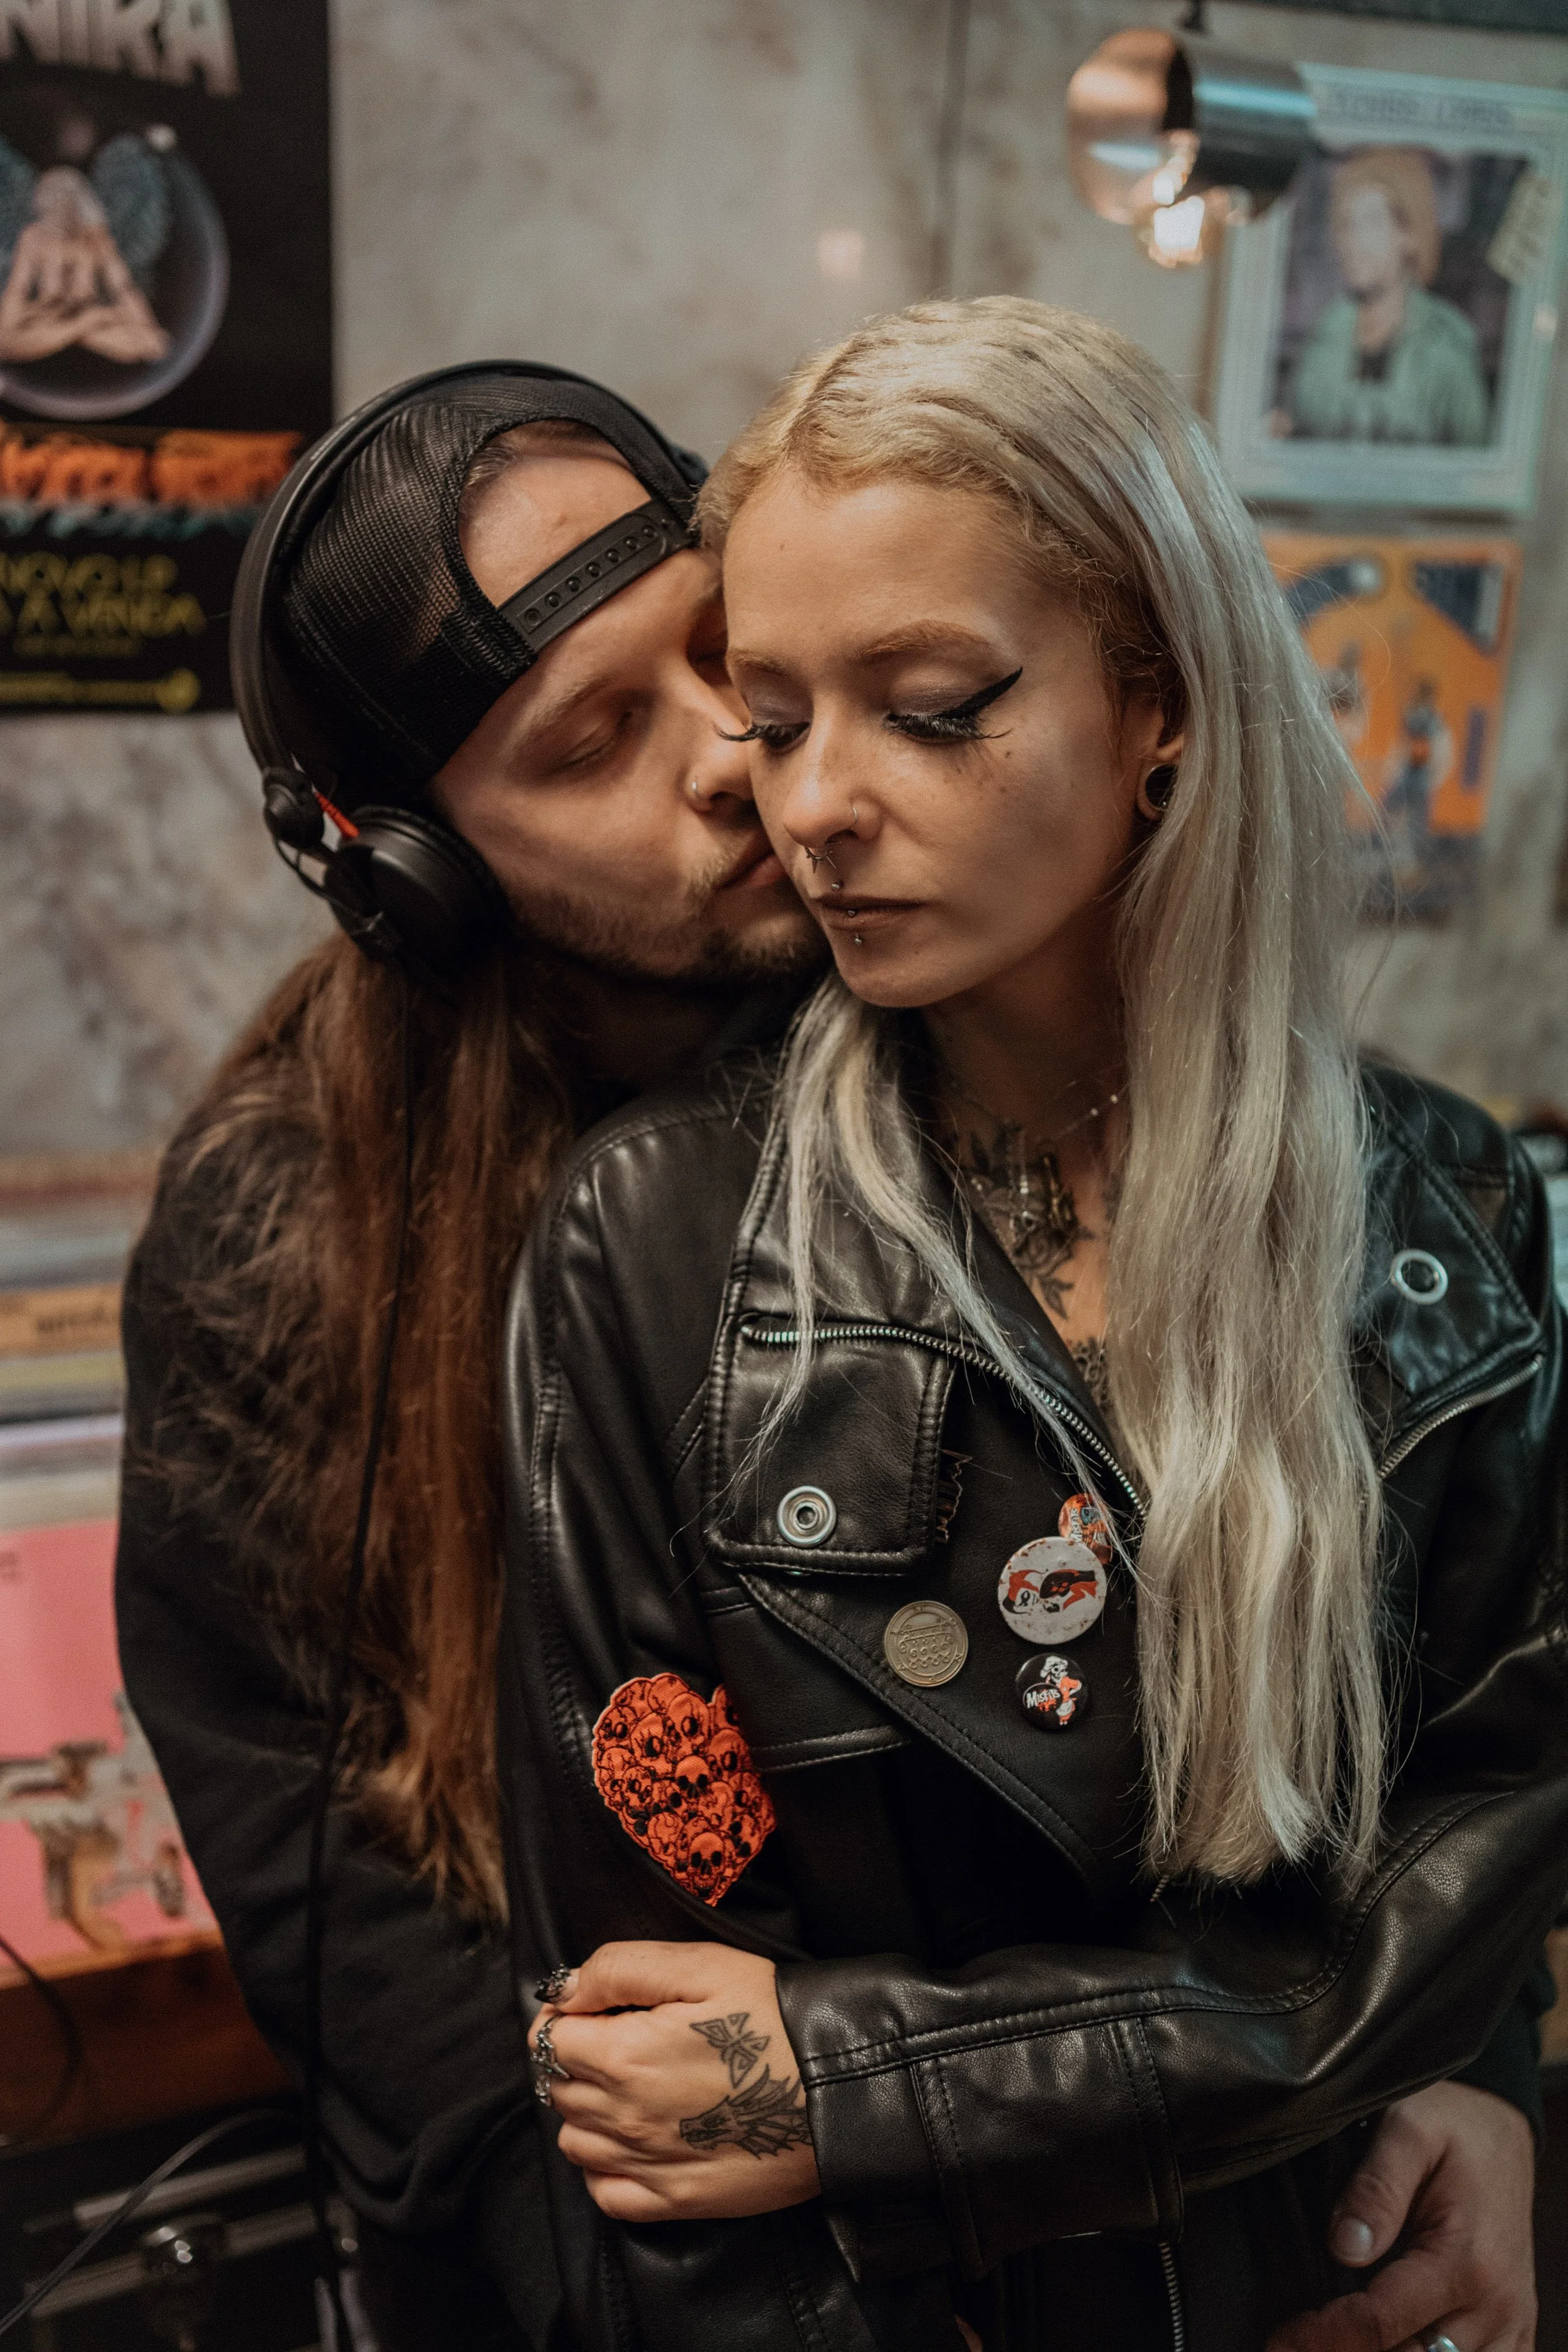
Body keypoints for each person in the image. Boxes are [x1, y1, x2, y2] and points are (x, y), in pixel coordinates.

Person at [502, 300, 1567, 2352]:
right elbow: (656, 2084)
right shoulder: (662, 1241)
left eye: (927, 705)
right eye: (777, 711)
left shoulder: (1445, 1219)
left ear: (1156, 701)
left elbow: (1491, 1863)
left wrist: (877, 2086)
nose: (812, 805)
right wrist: (1342, 2042)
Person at [1285, 149, 1490, 447]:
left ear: (1409, 235)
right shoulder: (1328, 330)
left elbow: (1473, 455)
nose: (1351, 242)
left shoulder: (1447, 339)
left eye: (1371, 223)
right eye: (1346, 224)